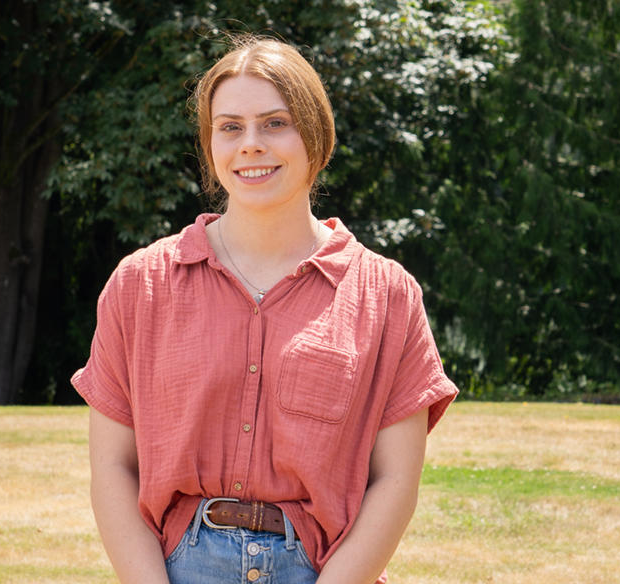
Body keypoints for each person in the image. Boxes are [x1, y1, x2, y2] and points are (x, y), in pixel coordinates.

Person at [71, 36, 458, 584]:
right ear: (210, 146)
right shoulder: (141, 284)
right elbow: (112, 469)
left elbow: (395, 482)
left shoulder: (388, 295)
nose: (250, 144)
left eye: (275, 123)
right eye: (230, 127)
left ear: (316, 136)